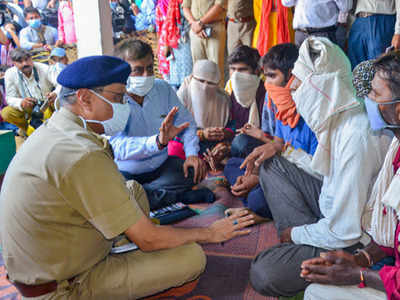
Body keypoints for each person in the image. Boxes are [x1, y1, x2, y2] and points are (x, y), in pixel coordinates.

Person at [0, 55, 254, 300]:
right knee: (192, 257)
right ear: (85, 98)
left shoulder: (59, 128)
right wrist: (209, 233)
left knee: (133, 189)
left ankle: (121, 240)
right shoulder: (82, 154)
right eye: (119, 97)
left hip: (50, 256)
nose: (124, 105)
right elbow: (149, 239)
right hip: (63, 286)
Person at [247, 37, 387, 297]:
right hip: (332, 212)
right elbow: (322, 170)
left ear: (321, 87)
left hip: (355, 237)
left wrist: (295, 233)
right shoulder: (337, 118)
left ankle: (317, 253)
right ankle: (309, 247)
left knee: (264, 271)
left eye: (298, 85)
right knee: (272, 166)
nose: (293, 92)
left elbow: (345, 230)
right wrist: (281, 150)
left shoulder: (356, 134)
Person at [301, 51, 400, 300]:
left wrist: (359, 275)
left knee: (314, 292)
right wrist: (361, 259)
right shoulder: (396, 150)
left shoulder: (359, 135)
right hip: (388, 265)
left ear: (398, 111)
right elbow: (392, 233)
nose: (367, 99)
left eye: (375, 94)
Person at [224, 43, 318, 221]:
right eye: (266, 77)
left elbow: (315, 172)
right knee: (233, 165)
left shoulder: (313, 113)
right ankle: (262, 198)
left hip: (304, 179)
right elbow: (277, 143)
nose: (267, 84)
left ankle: (262, 206)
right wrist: (255, 173)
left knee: (257, 199)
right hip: (278, 170)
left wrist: (260, 177)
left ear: (292, 76)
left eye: (272, 76)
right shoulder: (282, 107)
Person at [111, 39, 208, 210]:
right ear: (121, 72)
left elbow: (187, 124)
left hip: (161, 167)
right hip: (126, 173)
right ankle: (177, 197)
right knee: (115, 190)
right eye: (137, 70)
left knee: (191, 171)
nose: (146, 76)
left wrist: (192, 154)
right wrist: (157, 142)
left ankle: (146, 198)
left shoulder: (162, 88)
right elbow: (116, 146)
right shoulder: (113, 99)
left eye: (149, 68)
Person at [176, 59, 233, 157]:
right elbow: (175, 131)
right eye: (201, 81)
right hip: (187, 143)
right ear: (193, 78)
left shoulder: (224, 99)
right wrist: (201, 134)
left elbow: (231, 127)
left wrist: (224, 133)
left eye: (210, 83)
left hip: (214, 144)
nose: (205, 87)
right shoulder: (183, 96)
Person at [0, 48, 57, 133]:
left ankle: (55, 128)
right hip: (28, 107)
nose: (25, 64)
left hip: (47, 103)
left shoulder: (43, 68)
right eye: (20, 62)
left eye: (27, 60)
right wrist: (21, 102)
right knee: (6, 113)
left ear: (31, 58)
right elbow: (9, 98)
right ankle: (29, 131)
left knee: (59, 101)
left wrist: (54, 93)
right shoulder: (10, 73)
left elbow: (60, 84)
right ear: (14, 63)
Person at [226, 45, 266, 157]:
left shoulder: (265, 93)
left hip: (260, 144)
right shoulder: (231, 91)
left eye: (242, 70)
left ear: (256, 71)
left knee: (241, 143)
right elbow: (231, 125)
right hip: (234, 141)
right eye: (232, 69)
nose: (235, 75)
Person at [182, 0, 227, 84]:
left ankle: (217, 96)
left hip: (214, 28)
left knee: (215, 69)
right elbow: (185, 7)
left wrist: (200, 23)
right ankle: (199, 95)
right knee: (198, 69)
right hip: (195, 30)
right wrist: (194, 24)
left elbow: (219, 6)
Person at [348, 0, 400, 69]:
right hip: (358, 20)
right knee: (355, 70)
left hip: (381, 19)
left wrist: (398, 31)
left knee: (379, 69)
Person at [281, 0, 352, 47]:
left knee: (324, 68)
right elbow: (286, 2)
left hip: (323, 33)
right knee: (301, 68)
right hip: (301, 33)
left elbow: (346, 6)